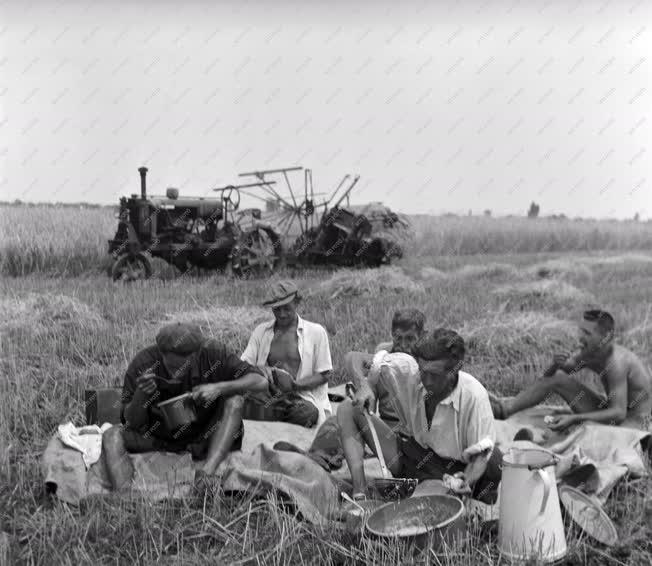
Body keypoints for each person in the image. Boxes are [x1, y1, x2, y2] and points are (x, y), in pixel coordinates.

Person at [337, 328, 501, 509]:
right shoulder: (409, 369)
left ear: (454, 370)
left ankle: (428, 497)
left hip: (455, 472)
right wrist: (364, 385)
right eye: (424, 372)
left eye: (435, 375)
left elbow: (480, 457)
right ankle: (360, 494)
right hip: (414, 457)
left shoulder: (474, 396)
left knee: (422, 506)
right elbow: (354, 357)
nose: (427, 381)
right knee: (348, 408)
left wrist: (464, 481)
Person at [102, 322, 268, 491]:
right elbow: (132, 423)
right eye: (172, 367)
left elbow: (261, 382)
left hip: (205, 435)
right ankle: (124, 496)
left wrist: (218, 387)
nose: (177, 373)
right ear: (161, 353)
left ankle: (206, 474)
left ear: (197, 354)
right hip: (160, 437)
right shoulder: (143, 363)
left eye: (184, 367)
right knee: (111, 435)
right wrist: (141, 395)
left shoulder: (214, 354)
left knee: (235, 401)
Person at [280, 308, 427, 470]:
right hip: (383, 426)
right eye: (399, 338)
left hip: (413, 435)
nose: (403, 345)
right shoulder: (383, 353)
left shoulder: (426, 359)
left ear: (422, 336)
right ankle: (317, 459)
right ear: (392, 333)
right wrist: (365, 389)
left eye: (410, 339)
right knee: (337, 420)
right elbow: (353, 359)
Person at [490, 309, 652, 432]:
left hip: (635, 422)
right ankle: (504, 410)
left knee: (585, 432)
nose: (580, 337)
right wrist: (555, 364)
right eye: (581, 331)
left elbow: (618, 414)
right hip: (613, 411)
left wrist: (574, 419)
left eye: (587, 333)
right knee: (559, 378)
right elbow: (549, 379)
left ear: (606, 337)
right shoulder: (590, 353)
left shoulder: (617, 362)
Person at [241, 280, 333, 427]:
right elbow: (242, 366)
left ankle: (266, 416)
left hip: (300, 398)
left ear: (297, 303)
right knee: (233, 397)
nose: (282, 314)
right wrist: (263, 370)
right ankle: (270, 415)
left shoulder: (316, 332)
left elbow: (325, 374)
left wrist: (295, 386)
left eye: (286, 308)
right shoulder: (261, 331)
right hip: (268, 395)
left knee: (308, 413)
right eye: (277, 309)